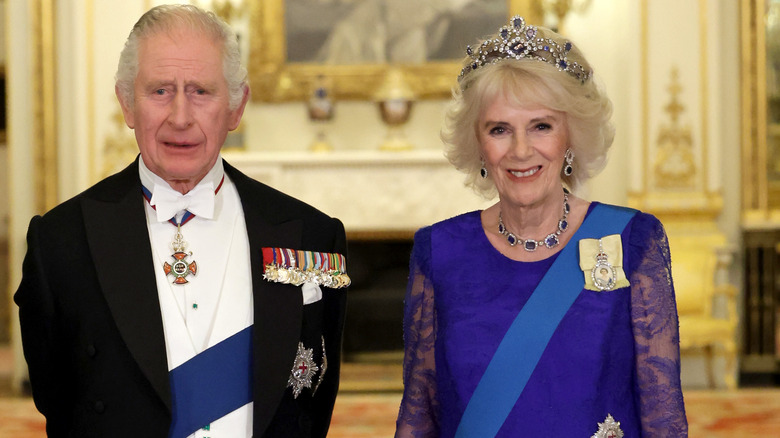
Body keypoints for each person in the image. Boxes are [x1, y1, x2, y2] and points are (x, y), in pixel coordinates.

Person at [15, 4, 349, 437]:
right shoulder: (60, 242)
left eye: (200, 91)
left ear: (235, 107)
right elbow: (59, 403)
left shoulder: (313, 237)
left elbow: (312, 406)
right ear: (126, 103)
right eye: (159, 91)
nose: (180, 116)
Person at [395, 16, 687, 437]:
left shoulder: (632, 241)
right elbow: (419, 412)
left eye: (541, 126)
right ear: (478, 143)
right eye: (499, 129)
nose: (520, 150)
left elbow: (664, 419)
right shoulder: (439, 251)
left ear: (571, 135)